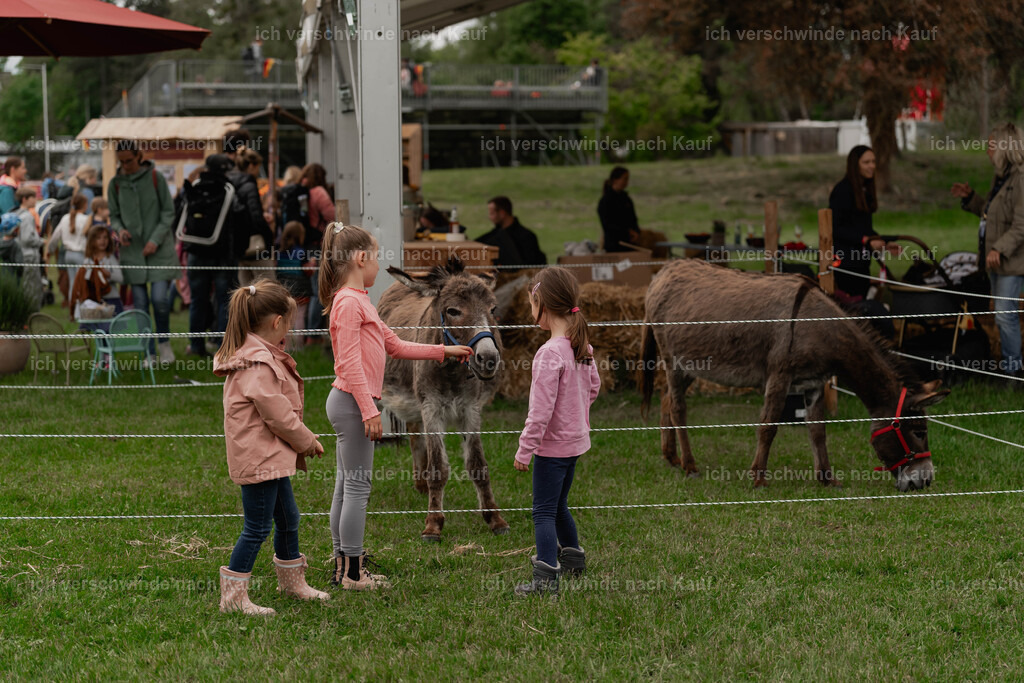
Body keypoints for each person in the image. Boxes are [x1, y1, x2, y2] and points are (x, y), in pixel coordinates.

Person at [319, 222, 471, 590]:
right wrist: (369, 410)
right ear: (360, 259)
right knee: (357, 489)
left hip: (351, 402)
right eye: (375, 258)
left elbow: (396, 345)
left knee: (346, 486)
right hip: (353, 403)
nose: (377, 265)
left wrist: (444, 350)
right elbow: (349, 363)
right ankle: (353, 572)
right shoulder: (349, 303)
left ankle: (343, 563)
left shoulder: (359, 301)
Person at [213, 279, 329, 616]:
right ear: (277, 322)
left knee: (288, 517)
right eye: (289, 324)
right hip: (260, 459)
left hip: (270, 457)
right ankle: (233, 598)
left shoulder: (256, 356)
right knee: (257, 528)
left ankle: (292, 582)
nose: (289, 331)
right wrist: (307, 441)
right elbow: (278, 416)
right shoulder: (258, 364)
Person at [512, 267, 601, 597]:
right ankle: (574, 559)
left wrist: (525, 449)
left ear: (543, 305)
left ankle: (545, 578)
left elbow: (540, 412)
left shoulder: (549, 353)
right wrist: (576, 417)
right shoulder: (582, 347)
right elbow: (594, 387)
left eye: (531, 305)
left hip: (551, 449)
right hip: (575, 444)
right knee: (559, 503)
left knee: (543, 511)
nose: (530, 312)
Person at [953, 122, 1024, 380]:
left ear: (1005, 147)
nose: (987, 151)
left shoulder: (1021, 179)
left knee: (1005, 316)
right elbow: (992, 215)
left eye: (991, 145)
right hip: (997, 263)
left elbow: (1021, 225)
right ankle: (1010, 369)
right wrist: (971, 198)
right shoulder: (1001, 178)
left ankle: (1013, 374)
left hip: (1012, 262)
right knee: (1002, 315)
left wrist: (999, 249)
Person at [108, 139, 177, 364]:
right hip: (132, 252)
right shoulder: (115, 184)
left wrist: (155, 240)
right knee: (139, 304)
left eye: (129, 161)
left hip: (159, 250)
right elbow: (114, 215)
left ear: (139, 156)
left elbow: (168, 212)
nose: (125, 165)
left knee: (160, 300)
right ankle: (148, 352)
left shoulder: (156, 178)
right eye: (121, 162)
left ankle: (164, 345)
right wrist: (120, 230)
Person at [182, 155, 236, 358]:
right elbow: (239, 219)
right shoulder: (228, 189)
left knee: (198, 300)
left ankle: (196, 345)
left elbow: (181, 211)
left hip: (196, 249)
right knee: (224, 301)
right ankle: (223, 348)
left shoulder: (195, 187)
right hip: (221, 252)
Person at [829, 145, 899, 301]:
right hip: (845, 263)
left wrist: (884, 244)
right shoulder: (842, 191)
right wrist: (865, 240)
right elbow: (836, 228)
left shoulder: (864, 192)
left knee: (861, 304)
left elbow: (864, 229)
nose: (872, 166)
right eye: (866, 162)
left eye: (873, 162)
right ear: (855, 165)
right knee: (849, 305)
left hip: (861, 262)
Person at [231, 148, 276, 286]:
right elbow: (256, 217)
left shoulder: (232, 183)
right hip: (255, 245)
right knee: (269, 289)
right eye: (258, 167)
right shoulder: (249, 185)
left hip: (238, 245)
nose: (257, 172)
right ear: (251, 166)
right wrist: (268, 237)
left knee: (246, 289)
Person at [300, 163, 334, 340]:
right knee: (318, 291)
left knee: (312, 291)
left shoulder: (303, 193)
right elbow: (332, 215)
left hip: (305, 246)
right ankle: (313, 334)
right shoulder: (319, 192)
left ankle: (310, 334)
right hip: (318, 246)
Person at [476, 196, 547, 269]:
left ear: (502, 213)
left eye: (492, 213)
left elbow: (532, 264)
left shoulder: (527, 237)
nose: (490, 217)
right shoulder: (493, 235)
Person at [276, 221, 312, 351]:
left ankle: (286, 347)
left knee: (286, 318)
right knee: (299, 316)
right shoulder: (302, 252)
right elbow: (308, 271)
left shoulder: (278, 251)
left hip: (283, 288)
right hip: (300, 288)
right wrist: (313, 264)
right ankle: (298, 348)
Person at [47, 193, 89, 294]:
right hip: (80, 254)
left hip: (68, 255)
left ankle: (73, 304)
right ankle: (79, 304)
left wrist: (50, 250)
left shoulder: (65, 218)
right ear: (84, 205)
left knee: (73, 283)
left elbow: (55, 236)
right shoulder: (85, 219)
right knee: (81, 284)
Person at [80, 224, 124, 314]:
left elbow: (120, 278)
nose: (102, 241)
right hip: (94, 301)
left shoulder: (110, 258)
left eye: (105, 237)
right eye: (98, 238)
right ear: (92, 240)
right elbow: (83, 281)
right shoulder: (88, 260)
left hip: (112, 300)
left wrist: (107, 274)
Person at [14, 187, 44, 311]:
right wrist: (40, 241)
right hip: (29, 254)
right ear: (24, 199)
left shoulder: (16, 213)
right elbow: (27, 239)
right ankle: (31, 311)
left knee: (26, 283)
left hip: (21, 253)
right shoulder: (27, 216)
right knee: (32, 285)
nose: (35, 200)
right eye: (33, 197)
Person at [597, 166, 640, 252]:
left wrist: (636, 232)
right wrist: (626, 232)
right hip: (613, 246)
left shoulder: (626, 199)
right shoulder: (606, 201)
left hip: (629, 244)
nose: (626, 182)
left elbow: (633, 219)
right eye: (624, 179)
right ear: (615, 180)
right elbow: (608, 224)